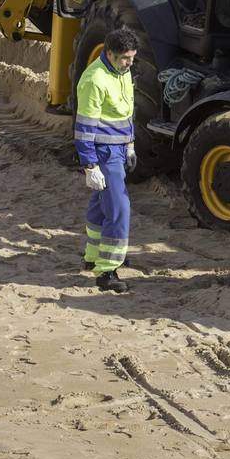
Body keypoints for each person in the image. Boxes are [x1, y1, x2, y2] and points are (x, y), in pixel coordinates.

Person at [74, 27, 140, 294]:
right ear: (109, 54)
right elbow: (84, 129)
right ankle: (107, 270)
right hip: (103, 153)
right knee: (119, 208)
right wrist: (90, 166)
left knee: (101, 205)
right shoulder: (94, 80)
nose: (130, 63)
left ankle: (93, 256)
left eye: (132, 57)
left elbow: (126, 112)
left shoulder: (121, 72)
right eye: (125, 58)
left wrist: (131, 145)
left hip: (119, 150)